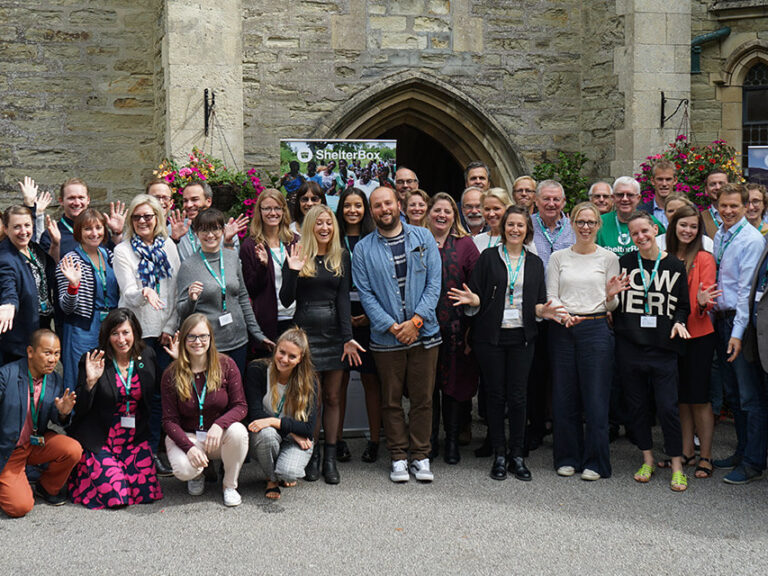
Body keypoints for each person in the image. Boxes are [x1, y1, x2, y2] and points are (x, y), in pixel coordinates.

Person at [449, 206, 565, 481]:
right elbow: (477, 294)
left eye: (520, 226)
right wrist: (473, 301)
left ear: (527, 231)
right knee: (495, 395)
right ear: (503, 228)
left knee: (518, 396)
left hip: (522, 337)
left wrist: (543, 311)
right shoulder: (489, 257)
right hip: (491, 337)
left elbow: (535, 303)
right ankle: (499, 455)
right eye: (510, 224)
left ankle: (517, 455)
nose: (515, 230)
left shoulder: (535, 263)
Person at [352, 186, 442, 483]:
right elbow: (366, 294)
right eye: (377, 206)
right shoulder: (363, 249)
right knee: (390, 401)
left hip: (424, 334)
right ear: (372, 211)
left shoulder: (424, 237)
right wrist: (393, 327)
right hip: (386, 339)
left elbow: (434, 283)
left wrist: (415, 322)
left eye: (388, 203)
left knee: (422, 399)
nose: (383, 209)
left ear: (398, 204)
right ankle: (399, 456)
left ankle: (420, 455)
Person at [279, 205, 363, 484]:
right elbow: (287, 300)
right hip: (305, 337)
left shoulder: (342, 256)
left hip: (335, 336)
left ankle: (329, 457)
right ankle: (311, 456)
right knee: (311, 400)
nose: (325, 228)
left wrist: (348, 337)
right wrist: (292, 271)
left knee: (333, 397)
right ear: (310, 227)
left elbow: (342, 302)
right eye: (319, 223)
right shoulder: (298, 254)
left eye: (329, 223)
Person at [546, 202, 625, 481]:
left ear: (598, 226)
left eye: (591, 222)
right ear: (572, 224)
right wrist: (563, 315)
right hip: (564, 329)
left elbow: (612, 305)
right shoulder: (558, 257)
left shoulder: (607, 258)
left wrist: (612, 296)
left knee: (595, 398)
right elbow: (551, 294)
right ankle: (567, 457)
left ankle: (596, 461)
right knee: (564, 397)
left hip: (595, 329)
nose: (586, 227)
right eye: (581, 222)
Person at [614, 212, 691, 492]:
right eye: (635, 234)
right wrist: (610, 294)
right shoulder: (624, 264)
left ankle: (677, 465)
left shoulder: (674, 265)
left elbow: (683, 304)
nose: (641, 237)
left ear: (654, 228)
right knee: (637, 408)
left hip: (663, 348)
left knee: (668, 408)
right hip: (630, 346)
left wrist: (680, 322)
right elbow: (613, 301)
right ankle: (646, 458)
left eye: (644, 231)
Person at [68, 309, 163, 508]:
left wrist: (179, 363)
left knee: (146, 495)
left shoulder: (147, 355)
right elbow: (81, 408)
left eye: (125, 332)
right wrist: (90, 383)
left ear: (135, 332)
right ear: (107, 336)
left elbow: (161, 391)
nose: (121, 339)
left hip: (134, 437)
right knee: (116, 498)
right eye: (115, 334)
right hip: (102, 436)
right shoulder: (93, 359)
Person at [113, 194, 180, 475]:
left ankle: (152, 452)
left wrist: (169, 327)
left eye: (148, 216)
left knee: (161, 397)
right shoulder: (123, 251)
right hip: (136, 335)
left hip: (164, 334)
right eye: (137, 217)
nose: (142, 221)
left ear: (157, 218)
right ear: (131, 220)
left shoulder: (169, 247)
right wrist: (144, 292)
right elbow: (127, 292)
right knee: (134, 396)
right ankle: (129, 453)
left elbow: (177, 292)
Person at [711, 183, 767, 485]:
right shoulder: (720, 235)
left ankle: (753, 461)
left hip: (740, 325)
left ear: (747, 207)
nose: (728, 211)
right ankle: (742, 449)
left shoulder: (751, 240)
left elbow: (746, 292)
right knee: (732, 393)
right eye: (724, 205)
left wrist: (737, 333)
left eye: (734, 206)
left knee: (749, 396)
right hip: (721, 320)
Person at [161, 313, 249, 506]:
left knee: (238, 431)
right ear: (183, 339)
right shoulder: (171, 374)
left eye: (203, 336)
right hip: (190, 437)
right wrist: (189, 447)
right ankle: (196, 475)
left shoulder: (226, 365)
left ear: (211, 338)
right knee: (184, 469)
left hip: (218, 437)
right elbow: (169, 421)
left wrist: (219, 424)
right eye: (191, 336)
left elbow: (241, 406)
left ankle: (229, 486)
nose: (197, 341)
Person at [176, 208, 270, 376]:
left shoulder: (231, 257)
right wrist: (191, 299)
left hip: (238, 340)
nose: (210, 235)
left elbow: (242, 298)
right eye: (204, 230)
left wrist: (257, 334)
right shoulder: (188, 266)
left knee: (236, 393)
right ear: (196, 233)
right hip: (208, 344)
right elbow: (182, 314)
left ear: (222, 230)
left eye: (215, 229)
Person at [663, 205, 720, 479]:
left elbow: (707, 298)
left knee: (699, 398)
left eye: (693, 226)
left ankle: (705, 455)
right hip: (673, 334)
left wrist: (701, 302)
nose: (688, 230)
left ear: (699, 231)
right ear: (673, 226)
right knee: (681, 397)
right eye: (683, 225)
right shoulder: (667, 256)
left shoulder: (705, 258)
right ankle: (686, 452)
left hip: (698, 334)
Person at [0, 329, 81, 517]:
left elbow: (55, 417)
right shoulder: (7, 375)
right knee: (20, 507)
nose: (53, 359)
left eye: (57, 353)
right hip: (9, 450)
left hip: (36, 443)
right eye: (47, 353)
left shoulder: (54, 379)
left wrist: (63, 413)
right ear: (30, 352)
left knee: (72, 449)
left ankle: (46, 487)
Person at [427, 193, 479, 464]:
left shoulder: (465, 245)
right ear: (429, 213)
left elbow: (477, 285)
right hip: (424, 325)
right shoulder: (419, 242)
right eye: (437, 210)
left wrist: (471, 327)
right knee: (428, 386)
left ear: (454, 215)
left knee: (453, 386)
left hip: (457, 327)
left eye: (447, 211)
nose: (442, 215)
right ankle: (431, 440)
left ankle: (452, 442)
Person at [335, 187, 382, 463]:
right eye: (347, 206)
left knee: (371, 381)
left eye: (358, 206)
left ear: (365, 210)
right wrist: (344, 320)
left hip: (370, 316)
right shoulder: (332, 238)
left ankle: (375, 440)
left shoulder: (373, 238)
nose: (353, 210)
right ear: (340, 209)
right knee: (338, 382)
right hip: (340, 319)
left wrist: (370, 315)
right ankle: (337, 440)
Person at [245, 328, 318, 499]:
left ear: (301, 359)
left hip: (294, 438)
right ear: (275, 349)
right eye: (282, 352)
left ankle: (281, 472)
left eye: (292, 356)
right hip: (269, 434)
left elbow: (308, 429)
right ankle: (271, 479)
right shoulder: (258, 370)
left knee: (289, 473)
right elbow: (255, 414)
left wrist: (273, 421)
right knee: (267, 435)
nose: (284, 359)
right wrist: (292, 430)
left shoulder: (310, 381)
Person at [55, 209, 119, 391]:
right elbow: (66, 308)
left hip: (110, 327)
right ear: (78, 232)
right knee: (79, 379)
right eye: (87, 228)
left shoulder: (110, 256)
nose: (94, 233)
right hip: (82, 329)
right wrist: (73, 286)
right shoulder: (69, 261)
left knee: (108, 380)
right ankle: (76, 418)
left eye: (98, 227)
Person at [240, 189, 299, 354]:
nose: (273, 213)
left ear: (283, 210)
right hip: (268, 320)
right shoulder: (250, 246)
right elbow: (250, 289)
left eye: (277, 208)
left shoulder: (294, 241)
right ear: (259, 211)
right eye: (267, 208)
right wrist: (263, 266)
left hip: (295, 317)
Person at [0, 206, 60, 364]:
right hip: (20, 338)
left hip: (42, 325)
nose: (23, 231)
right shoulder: (5, 257)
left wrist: (55, 244)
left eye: (27, 225)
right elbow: (8, 285)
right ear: (6, 229)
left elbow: (49, 271)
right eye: (16, 227)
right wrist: (9, 304)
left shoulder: (33, 248)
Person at [39, 177, 125, 256]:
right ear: (61, 201)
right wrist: (55, 244)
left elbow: (114, 260)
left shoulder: (99, 232)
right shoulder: (50, 236)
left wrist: (117, 233)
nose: (77, 203)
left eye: (81, 198)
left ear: (88, 200)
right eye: (71, 198)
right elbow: (48, 269)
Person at [169, 181, 246, 261]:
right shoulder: (173, 229)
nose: (189, 205)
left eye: (194, 199)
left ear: (208, 201)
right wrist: (174, 240)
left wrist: (228, 243)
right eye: (185, 201)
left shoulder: (226, 232)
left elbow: (234, 268)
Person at [596, 176, 665, 257]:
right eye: (620, 195)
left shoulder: (652, 222)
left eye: (630, 195)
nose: (625, 199)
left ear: (638, 198)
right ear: (613, 198)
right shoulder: (599, 223)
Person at [639, 160, 678, 227]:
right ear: (652, 181)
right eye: (660, 179)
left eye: (668, 179)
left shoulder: (688, 209)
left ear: (675, 181)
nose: (664, 184)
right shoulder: (640, 212)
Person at [473, 188, 512, 252]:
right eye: (487, 209)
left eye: (496, 208)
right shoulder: (477, 240)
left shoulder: (516, 238)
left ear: (507, 208)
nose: (491, 214)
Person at [701, 169, 729, 239]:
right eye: (712, 184)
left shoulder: (742, 215)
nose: (718, 187)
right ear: (706, 190)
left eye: (721, 183)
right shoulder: (700, 218)